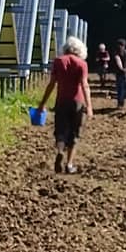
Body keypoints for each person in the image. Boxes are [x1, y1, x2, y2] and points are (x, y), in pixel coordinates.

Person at [37, 36, 93, 174]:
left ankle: (60, 151)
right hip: (77, 102)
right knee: (75, 134)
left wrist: (42, 103)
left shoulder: (58, 61)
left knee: (61, 131)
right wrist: (89, 106)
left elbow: (51, 84)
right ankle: (69, 164)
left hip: (61, 101)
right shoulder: (81, 64)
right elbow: (84, 85)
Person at [112, 38, 126, 108]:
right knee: (124, 88)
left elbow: (118, 62)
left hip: (120, 73)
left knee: (120, 89)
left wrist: (122, 68)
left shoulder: (116, 53)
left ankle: (120, 103)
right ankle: (122, 102)